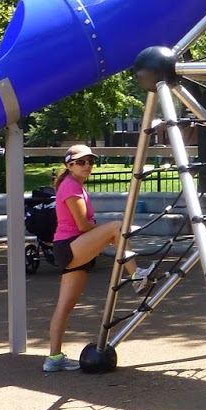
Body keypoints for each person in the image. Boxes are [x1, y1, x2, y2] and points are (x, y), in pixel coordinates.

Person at [44, 144, 149, 372]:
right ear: (69, 165)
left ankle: (53, 359)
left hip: (70, 249)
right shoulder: (71, 186)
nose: (87, 166)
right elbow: (82, 225)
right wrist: (103, 234)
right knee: (117, 228)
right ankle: (136, 275)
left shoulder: (74, 186)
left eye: (90, 162)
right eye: (81, 162)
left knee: (65, 306)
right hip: (70, 246)